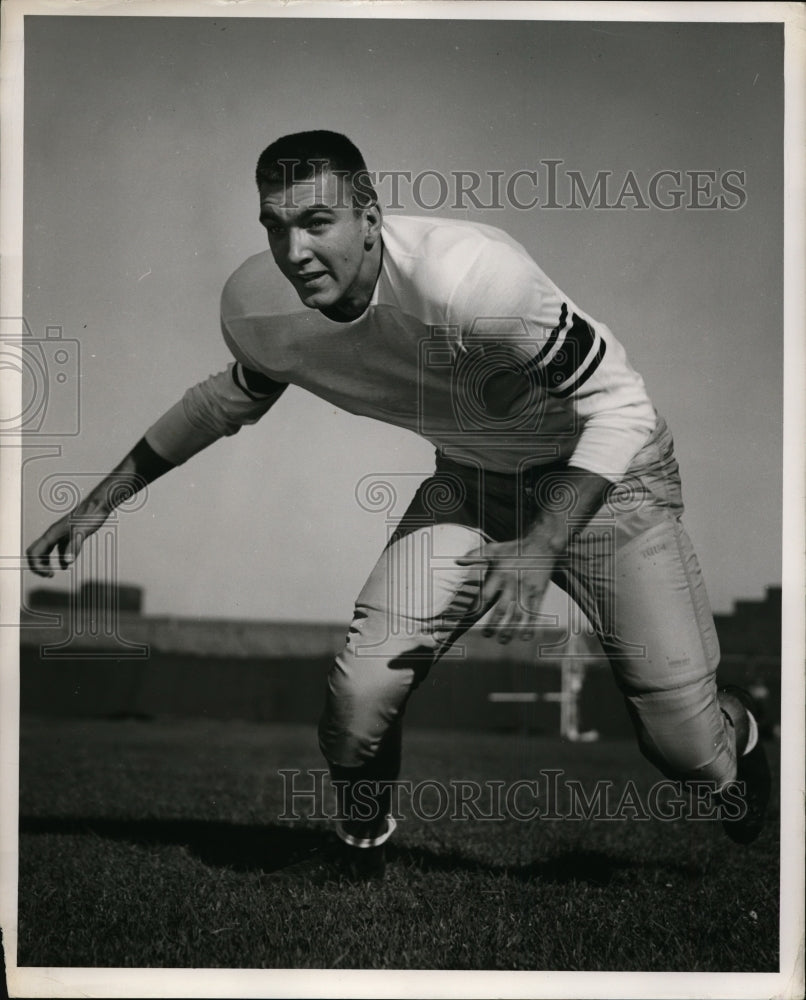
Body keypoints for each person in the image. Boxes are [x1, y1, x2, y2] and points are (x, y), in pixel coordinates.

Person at [26, 130, 771, 879]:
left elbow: (622, 405)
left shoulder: (471, 279)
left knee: (683, 749)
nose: (294, 251)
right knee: (360, 695)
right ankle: (361, 847)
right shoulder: (261, 309)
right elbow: (220, 402)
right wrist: (97, 505)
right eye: (275, 226)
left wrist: (544, 541)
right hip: (473, 486)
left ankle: (735, 730)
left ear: (370, 219)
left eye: (317, 222)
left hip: (607, 482)